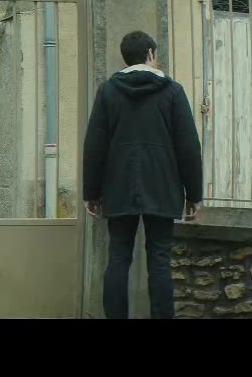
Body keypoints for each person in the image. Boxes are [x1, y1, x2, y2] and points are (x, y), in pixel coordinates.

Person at [82, 31, 203, 319]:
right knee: (159, 259)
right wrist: (194, 194)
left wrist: (91, 192)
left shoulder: (108, 91)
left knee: (118, 255)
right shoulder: (172, 91)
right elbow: (188, 146)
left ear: (126, 57)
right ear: (150, 53)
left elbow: (95, 145)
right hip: (163, 185)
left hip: (118, 185)